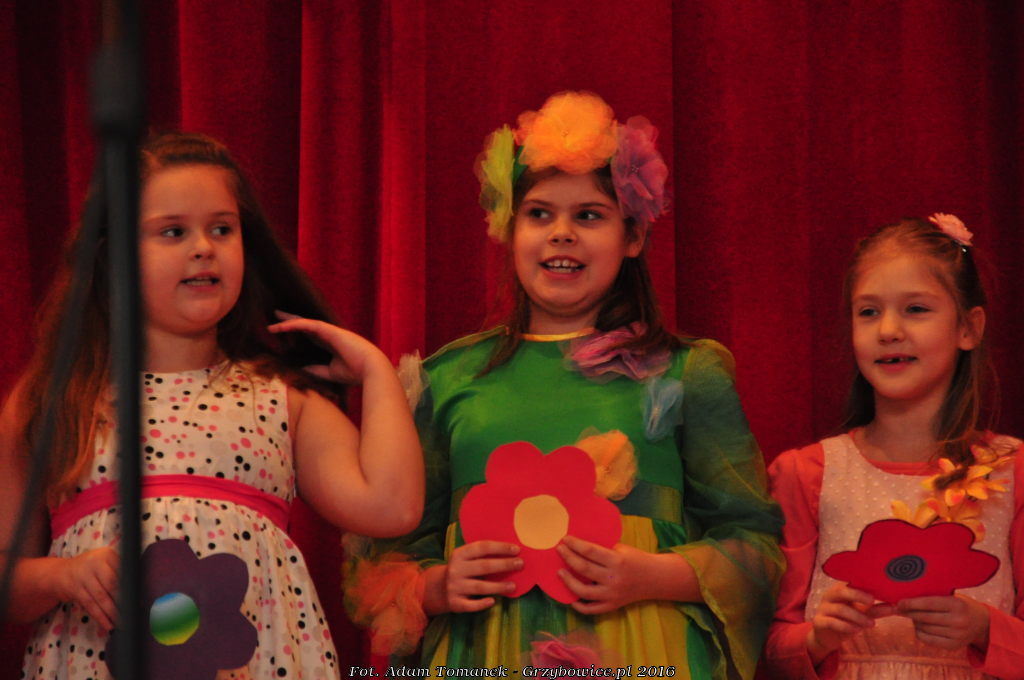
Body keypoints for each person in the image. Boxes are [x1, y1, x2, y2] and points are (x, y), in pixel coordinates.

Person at [345, 91, 783, 679]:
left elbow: (755, 548)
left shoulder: (685, 373)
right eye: (539, 214)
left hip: (644, 655)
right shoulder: (447, 380)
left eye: (589, 215)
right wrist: (437, 585)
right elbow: (385, 553)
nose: (561, 233)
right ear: (508, 228)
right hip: (484, 656)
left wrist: (652, 575)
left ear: (632, 236)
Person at [0, 132, 424, 679]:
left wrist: (375, 370)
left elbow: (392, 508)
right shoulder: (53, 402)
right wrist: (62, 576)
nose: (203, 247)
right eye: (173, 231)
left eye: (222, 229)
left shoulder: (280, 398)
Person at [764, 215, 1024, 679]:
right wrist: (818, 637)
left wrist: (984, 628)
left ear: (968, 328)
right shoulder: (807, 473)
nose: (887, 330)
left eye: (915, 309)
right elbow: (770, 648)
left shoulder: (1013, 471)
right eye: (868, 312)